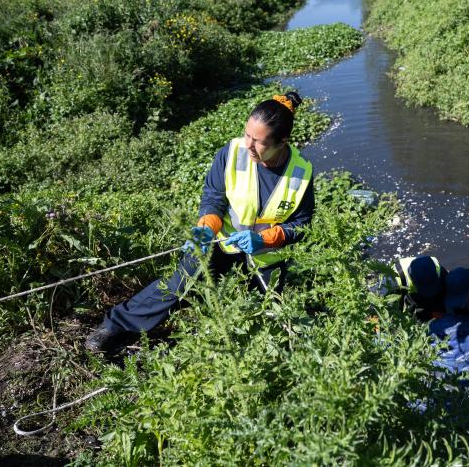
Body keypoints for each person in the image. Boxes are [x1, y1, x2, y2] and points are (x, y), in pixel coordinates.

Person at [85, 92, 314, 352]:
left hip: (264, 258)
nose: (248, 145)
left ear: (282, 142)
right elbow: (214, 198)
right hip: (220, 244)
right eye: (247, 134)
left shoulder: (301, 172)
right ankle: (114, 327)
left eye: (258, 142)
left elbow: (301, 224)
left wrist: (263, 239)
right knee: (180, 285)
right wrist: (205, 230)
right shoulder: (233, 152)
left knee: (271, 316)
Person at [378, 255, 447, 321]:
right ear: (412, 278)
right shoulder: (393, 278)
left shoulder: (437, 269)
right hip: (406, 292)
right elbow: (381, 302)